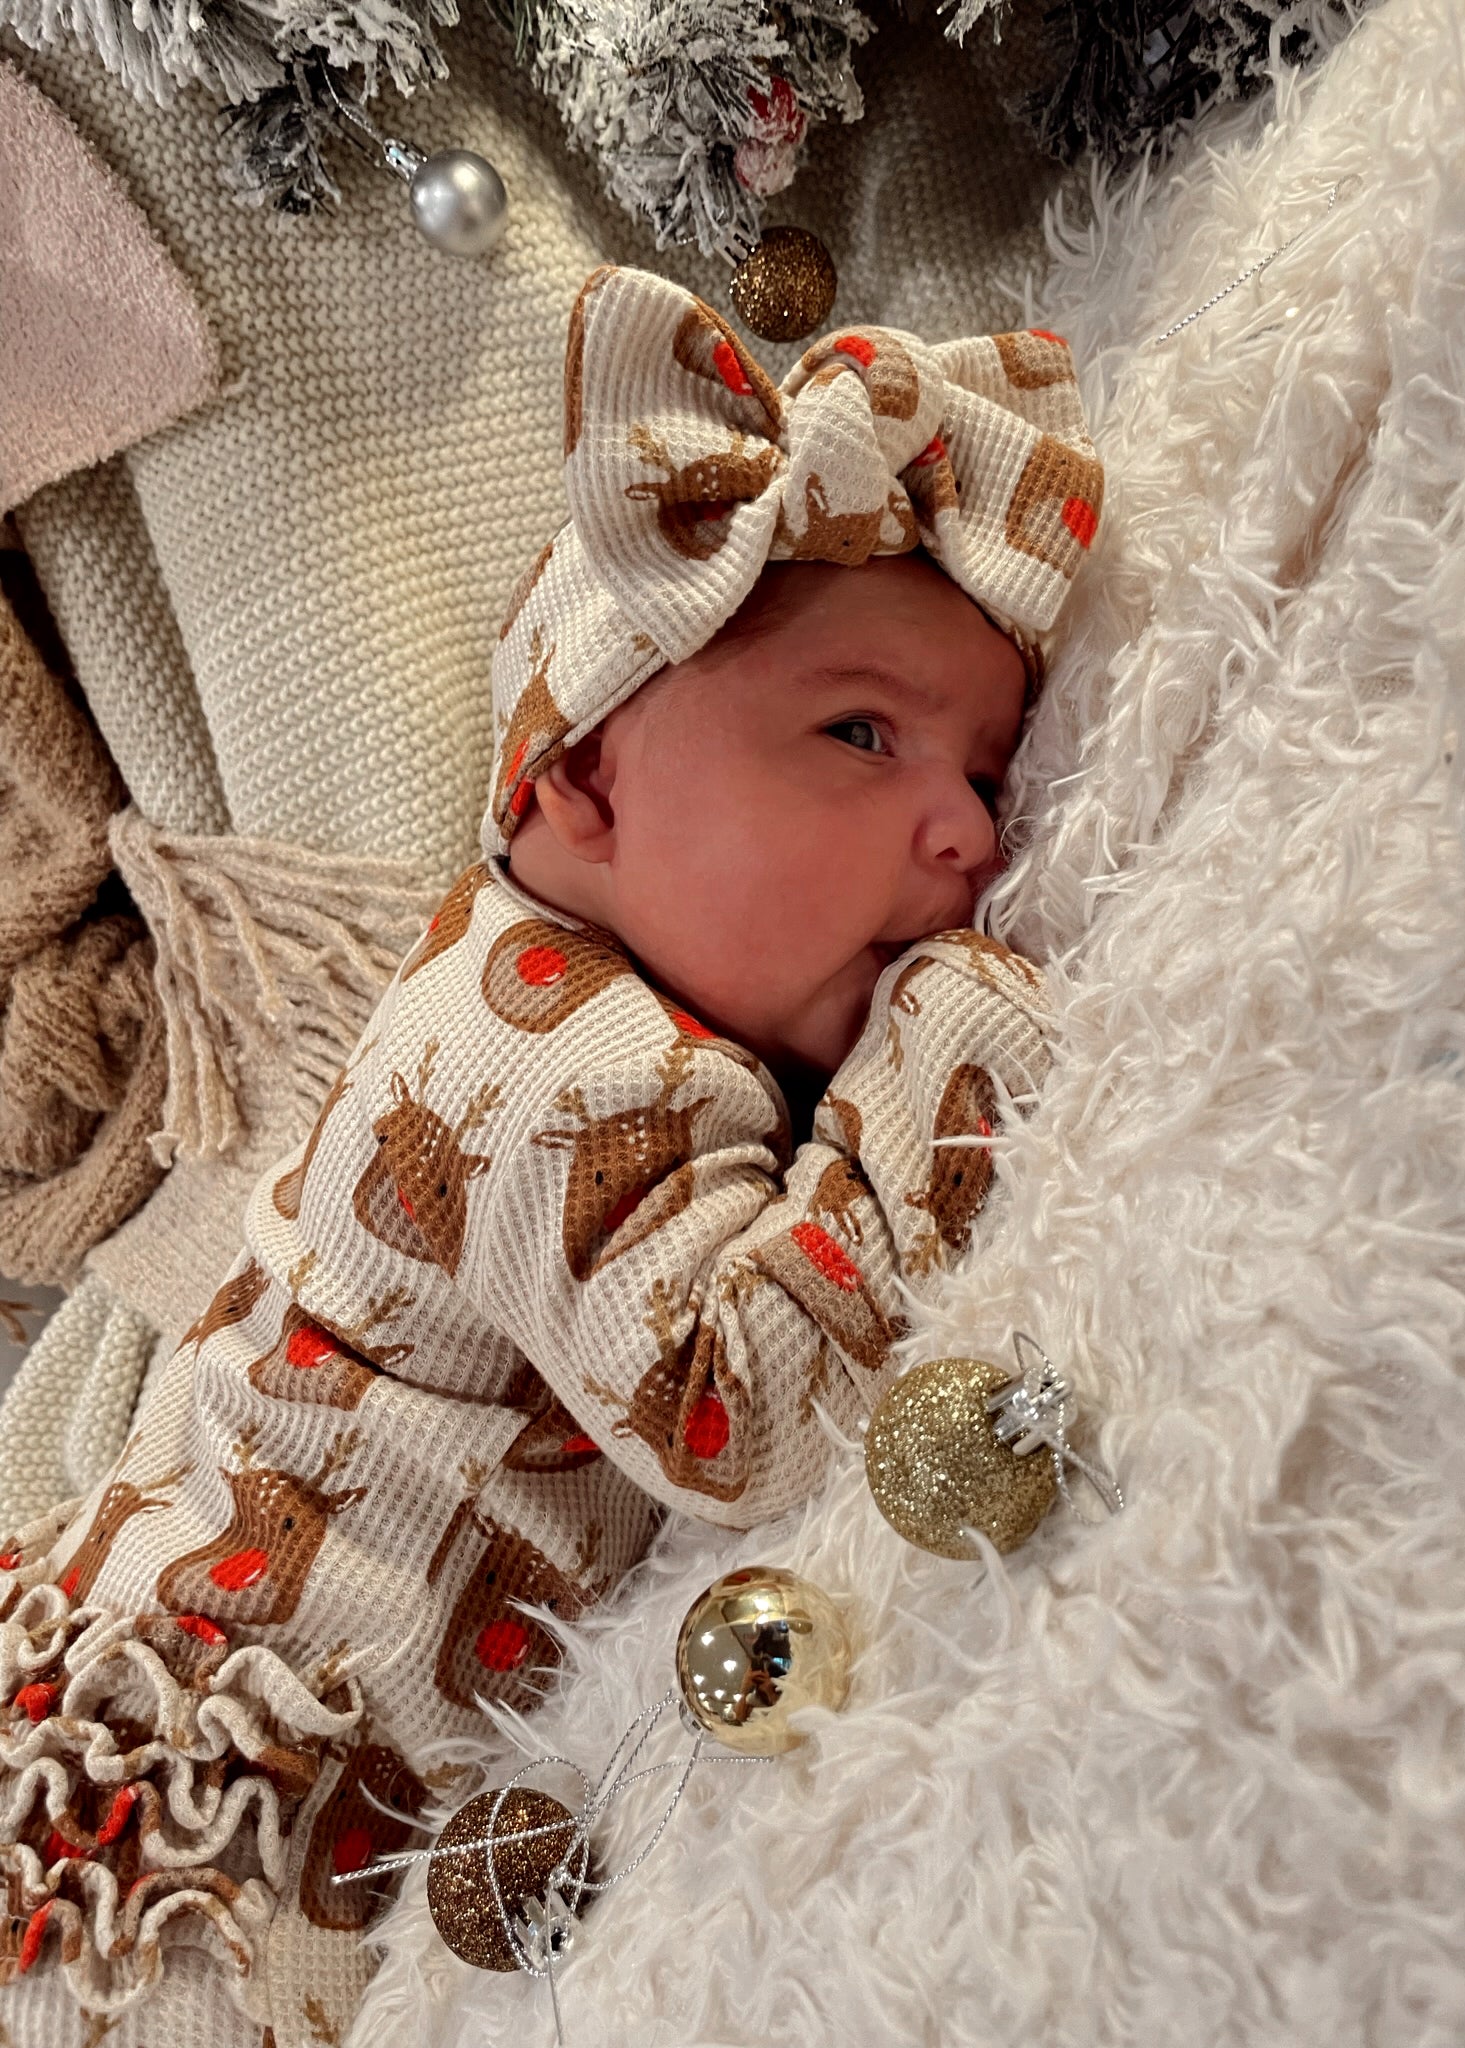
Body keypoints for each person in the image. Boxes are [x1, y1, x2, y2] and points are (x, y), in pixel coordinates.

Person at [0, 263, 1102, 2046]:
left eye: (983, 773)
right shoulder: (568, 1062)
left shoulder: (556, 995)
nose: (968, 832)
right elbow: (731, 1411)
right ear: (580, 780)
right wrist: (944, 1050)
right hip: (209, 1812)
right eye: (860, 734)